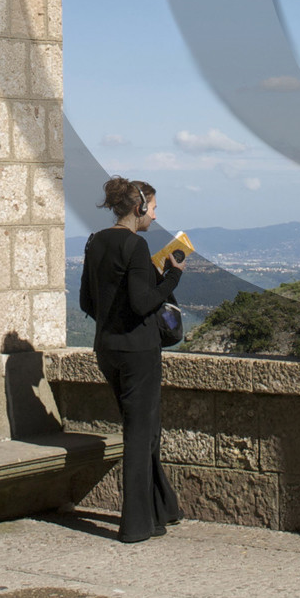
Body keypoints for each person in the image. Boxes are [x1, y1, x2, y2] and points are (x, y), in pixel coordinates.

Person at [79, 177, 186, 543]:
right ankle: (136, 524)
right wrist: (171, 277)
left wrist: (115, 320)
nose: (155, 216)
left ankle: (161, 509)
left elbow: (86, 303)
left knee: (145, 430)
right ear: (139, 208)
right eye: (153, 208)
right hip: (138, 352)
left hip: (107, 350)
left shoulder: (95, 242)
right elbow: (143, 303)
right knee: (141, 435)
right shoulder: (135, 245)